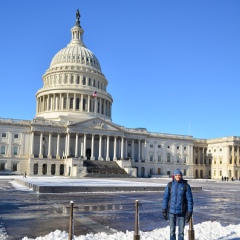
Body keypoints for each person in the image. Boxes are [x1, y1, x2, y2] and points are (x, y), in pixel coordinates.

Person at [162, 169, 193, 240]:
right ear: (174, 176)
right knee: (172, 231)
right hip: (171, 211)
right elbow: (165, 197)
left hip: (182, 212)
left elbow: (189, 200)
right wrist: (164, 209)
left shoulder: (186, 186)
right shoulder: (170, 185)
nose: (178, 176)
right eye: (176, 175)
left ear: (181, 176)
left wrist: (189, 211)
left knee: (181, 232)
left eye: (179, 175)